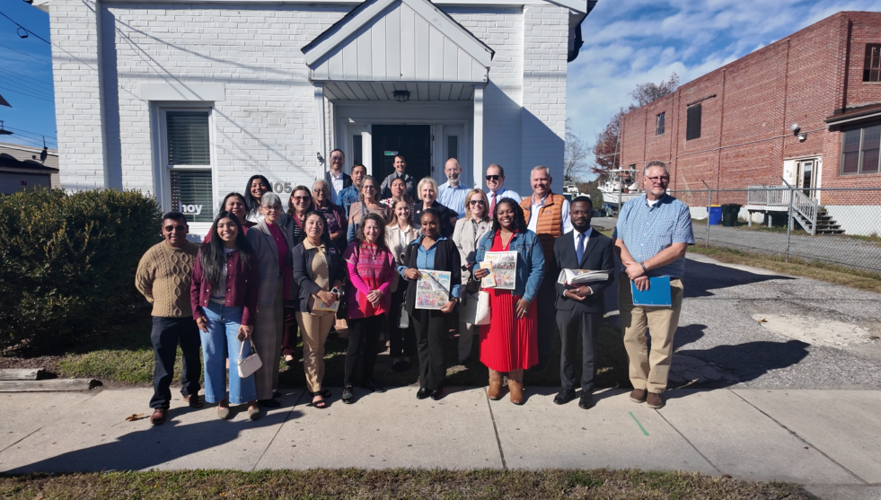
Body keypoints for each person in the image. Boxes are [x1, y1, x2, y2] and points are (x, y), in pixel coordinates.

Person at [613, 160, 694, 410]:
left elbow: (678, 248)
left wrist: (644, 267)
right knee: (633, 335)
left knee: (661, 338)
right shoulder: (630, 207)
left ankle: (656, 387)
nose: (659, 182)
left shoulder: (679, 209)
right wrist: (633, 268)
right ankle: (639, 383)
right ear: (645, 181)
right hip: (631, 281)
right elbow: (618, 241)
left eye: (664, 178)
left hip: (664, 282)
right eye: (654, 178)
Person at [190, 211, 260, 420]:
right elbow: (194, 284)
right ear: (215, 228)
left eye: (231, 225)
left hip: (235, 312)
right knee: (213, 356)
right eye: (221, 225)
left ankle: (248, 399)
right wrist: (196, 313)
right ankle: (221, 399)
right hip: (209, 312)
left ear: (238, 228)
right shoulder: (205, 251)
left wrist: (247, 320)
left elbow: (252, 290)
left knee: (242, 354)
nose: (226, 229)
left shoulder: (247, 254)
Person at [473, 200, 544, 405]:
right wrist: (475, 271)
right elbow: (477, 262)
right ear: (496, 216)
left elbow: (538, 269)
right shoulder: (488, 238)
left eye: (509, 211)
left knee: (517, 341)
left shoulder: (529, 238)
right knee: (494, 341)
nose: (505, 216)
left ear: (516, 213)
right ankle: (494, 379)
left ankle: (515, 382)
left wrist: (527, 298)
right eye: (501, 212)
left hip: (518, 299)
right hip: (494, 299)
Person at [135, 212, 202, 425]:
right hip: (163, 318)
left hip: (192, 316)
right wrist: (155, 300)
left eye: (179, 227)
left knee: (192, 357)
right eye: (170, 228)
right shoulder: (153, 254)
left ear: (187, 229)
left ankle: (190, 391)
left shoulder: (197, 252)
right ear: (163, 231)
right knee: (163, 362)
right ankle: (160, 404)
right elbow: (141, 281)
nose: (175, 231)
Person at [553, 196, 614, 410]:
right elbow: (555, 274)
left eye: (585, 212)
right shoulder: (560, 242)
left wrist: (590, 289)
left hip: (591, 304)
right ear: (570, 215)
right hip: (566, 305)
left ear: (591, 213)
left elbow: (609, 274)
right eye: (576, 212)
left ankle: (587, 390)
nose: (580, 216)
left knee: (589, 350)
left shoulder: (604, 242)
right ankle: (567, 387)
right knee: (566, 349)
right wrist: (564, 292)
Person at [399, 209, 461, 401]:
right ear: (420, 224)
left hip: (440, 303)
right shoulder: (413, 246)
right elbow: (402, 267)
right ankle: (425, 383)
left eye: (432, 223)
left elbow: (457, 276)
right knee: (422, 342)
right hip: (418, 302)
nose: (428, 227)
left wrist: (453, 300)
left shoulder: (447, 245)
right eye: (425, 223)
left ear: (439, 224)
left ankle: (437, 383)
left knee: (437, 342)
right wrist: (405, 271)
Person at [246, 192, 298, 408]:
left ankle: (272, 388)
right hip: (263, 295)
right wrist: (252, 298)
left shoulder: (282, 230)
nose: (272, 210)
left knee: (275, 343)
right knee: (265, 345)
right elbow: (249, 268)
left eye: (276, 207)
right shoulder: (255, 233)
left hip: (280, 292)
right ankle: (262, 394)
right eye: (268, 207)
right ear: (261, 209)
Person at [520, 165, 573, 371]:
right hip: (524, 269)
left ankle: (543, 354)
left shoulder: (560, 203)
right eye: (536, 180)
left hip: (549, 265)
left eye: (543, 180)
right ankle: (527, 351)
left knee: (545, 312)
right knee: (525, 311)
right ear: (530, 181)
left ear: (550, 181)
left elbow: (568, 237)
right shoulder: (523, 204)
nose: (539, 183)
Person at [342, 213, 396, 403]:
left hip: (378, 304)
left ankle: (367, 377)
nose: (372, 231)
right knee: (355, 346)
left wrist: (380, 292)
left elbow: (391, 274)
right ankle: (348, 383)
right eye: (369, 227)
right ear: (363, 229)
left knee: (373, 345)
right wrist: (368, 292)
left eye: (376, 227)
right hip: (359, 303)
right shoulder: (354, 248)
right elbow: (351, 273)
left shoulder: (385, 250)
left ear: (380, 230)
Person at [292, 211, 344, 409]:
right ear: (305, 227)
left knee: (320, 347)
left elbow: (339, 270)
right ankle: (314, 390)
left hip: (329, 304)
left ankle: (318, 384)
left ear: (324, 227)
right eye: (311, 223)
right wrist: (320, 292)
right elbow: (299, 277)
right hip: (308, 305)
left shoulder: (330, 247)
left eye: (319, 223)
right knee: (311, 348)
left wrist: (336, 287)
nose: (315, 226)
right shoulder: (299, 250)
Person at [451, 189, 492, 364]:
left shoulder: (492, 224)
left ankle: (487, 353)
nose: (477, 205)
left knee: (486, 312)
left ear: (485, 204)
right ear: (468, 204)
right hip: (465, 274)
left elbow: (494, 248)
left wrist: (481, 265)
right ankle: (464, 353)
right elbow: (456, 246)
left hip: (485, 273)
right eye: (473, 202)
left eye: (480, 202)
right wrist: (465, 263)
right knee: (465, 316)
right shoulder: (461, 223)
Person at [385, 199, 420, 372]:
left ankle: (408, 355)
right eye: (400, 208)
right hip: (394, 280)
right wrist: (400, 270)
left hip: (413, 280)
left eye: (406, 208)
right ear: (394, 210)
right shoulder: (387, 230)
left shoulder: (418, 230)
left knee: (411, 317)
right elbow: (386, 257)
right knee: (394, 319)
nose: (403, 211)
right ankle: (395, 355)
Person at [281, 186, 312, 367]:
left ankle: (311, 345)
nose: (302, 201)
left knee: (309, 309)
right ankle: (289, 350)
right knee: (290, 312)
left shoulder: (313, 218)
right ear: (292, 199)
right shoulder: (285, 219)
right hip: (290, 270)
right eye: (298, 197)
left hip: (310, 270)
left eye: (306, 198)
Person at [347, 175, 391, 242]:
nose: (368, 189)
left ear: (376, 189)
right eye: (366, 187)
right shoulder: (354, 207)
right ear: (361, 190)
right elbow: (350, 232)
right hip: (360, 247)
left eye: (371, 186)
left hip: (378, 247)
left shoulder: (385, 208)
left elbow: (388, 232)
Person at [312, 179, 348, 254]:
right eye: (318, 190)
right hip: (314, 247)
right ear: (313, 193)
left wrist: (337, 235)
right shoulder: (309, 208)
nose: (321, 193)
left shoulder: (337, 209)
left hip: (333, 247)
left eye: (324, 190)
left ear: (328, 192)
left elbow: (344, 228)